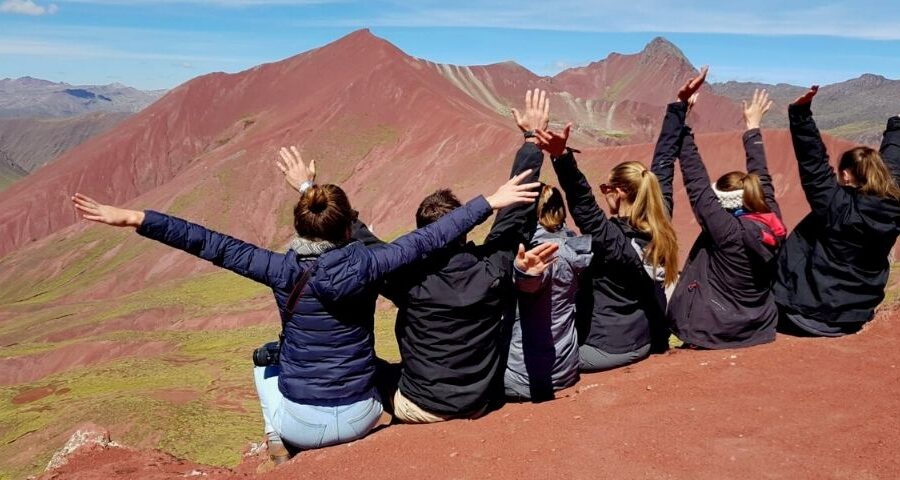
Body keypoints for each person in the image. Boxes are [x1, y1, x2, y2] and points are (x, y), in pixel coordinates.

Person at [70, 162, 541, 462]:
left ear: (298, 226)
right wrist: (489, 203)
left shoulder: (277, 268)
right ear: (348, 229)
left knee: (264, 362)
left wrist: (137, 219)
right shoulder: (374, 262)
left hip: (302, 422)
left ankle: (278, 441)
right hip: (363, 412)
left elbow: (209, 243)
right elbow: (430, 238)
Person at [379, 89, 550, 423]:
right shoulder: (493, 269)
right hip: (481, 401)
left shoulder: (407, 281)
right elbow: (515, 215)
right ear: (465, 231)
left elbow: (371, 251)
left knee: (367, 368)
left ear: (423, 236)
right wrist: (532, 141)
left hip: (420, 407)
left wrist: (311, 192)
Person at [530, 70, 704, 372]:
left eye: (605, 189)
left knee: (531, 359)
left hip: (607, 347)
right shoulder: (660, 221)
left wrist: (561, 158)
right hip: (646, 336)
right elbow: (662, 163)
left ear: (620, 192)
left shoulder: (616, 243)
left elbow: (585, 209)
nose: (603, 195)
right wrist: (678, 106)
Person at [773, 86, 900, 336]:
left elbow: (814, 164)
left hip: (804, 315)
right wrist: (897, 128)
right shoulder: (893, 206)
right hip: (855, 316)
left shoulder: (836, 206)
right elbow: (894, 165)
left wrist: (800, 114)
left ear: (845, 174)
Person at [667, 88, 787, 349]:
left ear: (722, 201)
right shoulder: (772, 220)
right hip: (759, 326)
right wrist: (752, 127)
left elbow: (696, 181)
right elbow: (762, 178)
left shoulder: (725, 230)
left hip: (716, 329)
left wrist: (682, 122)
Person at [504, 183, 591, 402]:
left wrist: (524, 275)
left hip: (526, 376)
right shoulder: (572, 246)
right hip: (566, 368)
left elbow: (532, 283)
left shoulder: (543, 254)